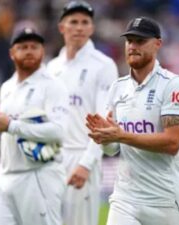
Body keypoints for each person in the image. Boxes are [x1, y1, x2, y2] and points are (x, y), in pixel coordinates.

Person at [86, 16, 179, 225]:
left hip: (167, 201)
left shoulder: (172, 85)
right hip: (126, 200)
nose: (133, 46)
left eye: (140, 41)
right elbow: (113, 150)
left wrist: (122, 135)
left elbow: (172, 143)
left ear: (157, 44)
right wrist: (106, 138)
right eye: (130, 41)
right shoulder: (118, 88)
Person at [46, 1, 118, 225]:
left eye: (85, 22)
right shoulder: (52, 67)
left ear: (92, 28)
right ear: (62, 27)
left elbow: (103, 122)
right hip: (51, 160)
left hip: (81, 156)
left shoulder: (103, 65)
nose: (79, 27)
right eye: (73, 22)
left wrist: (87, 163)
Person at [0, 27, 69, 225]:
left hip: (39, 176)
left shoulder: (53, 85)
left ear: (42, 51)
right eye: (23, 46)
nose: (29, 51)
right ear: (11, 53)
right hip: (5, 176)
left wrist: (12, 125)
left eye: (34, 47)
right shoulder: (7, 87)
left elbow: (59, 132)